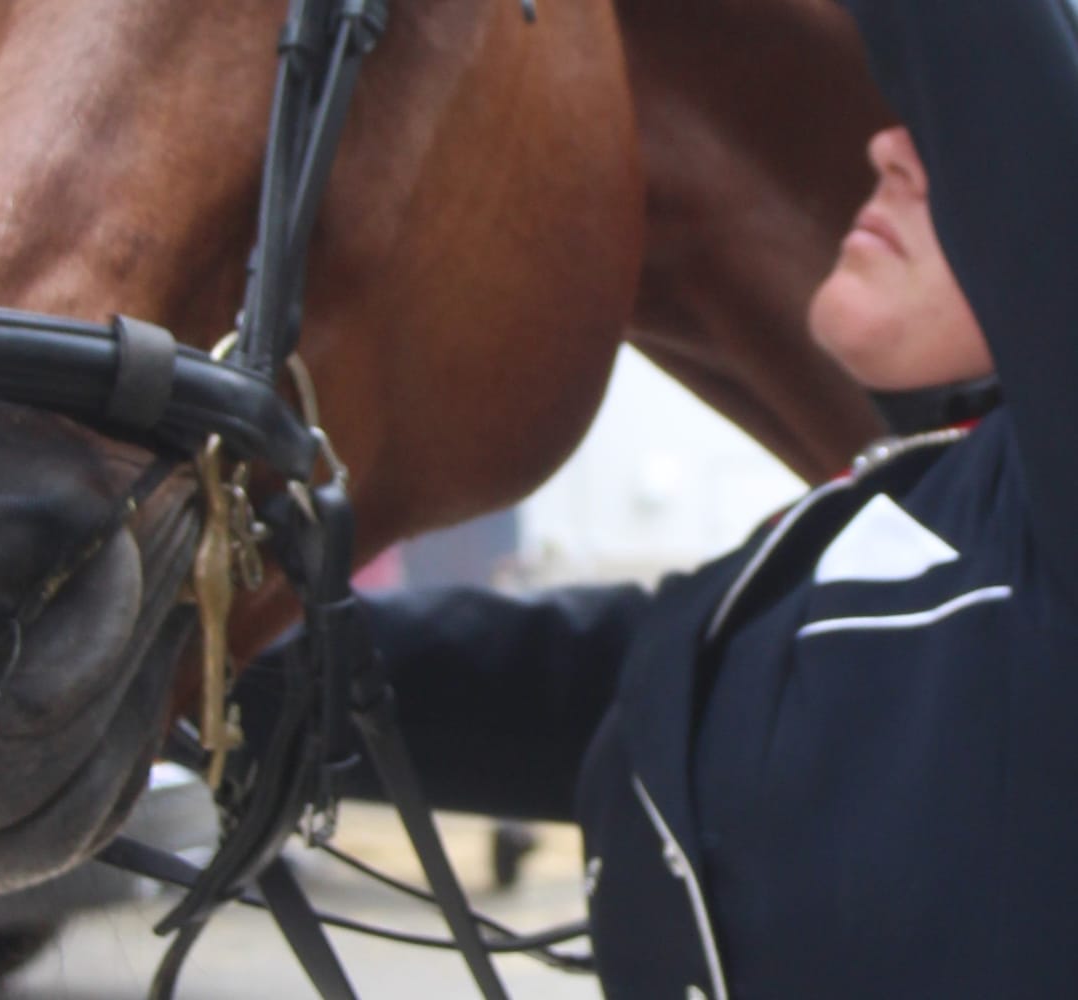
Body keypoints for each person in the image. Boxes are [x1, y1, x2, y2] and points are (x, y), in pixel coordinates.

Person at [239, 1, 1078, 996]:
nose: (890, 147)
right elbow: (560, 691)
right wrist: (203, 657)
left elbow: (993, 73)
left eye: (952, 146)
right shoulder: (842, 540)